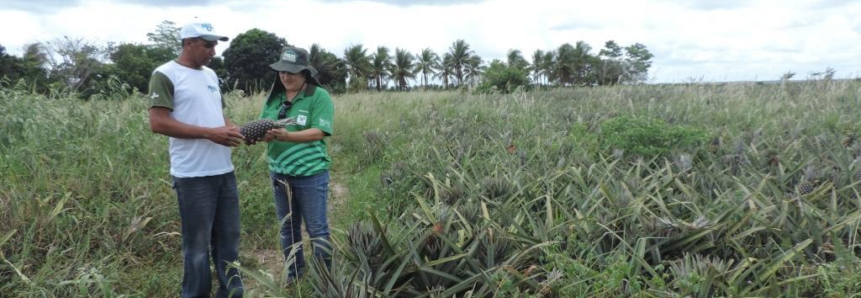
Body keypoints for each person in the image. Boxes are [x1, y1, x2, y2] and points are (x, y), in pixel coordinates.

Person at [147, 21, 244, 298]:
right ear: (188, 42)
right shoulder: (165, 74)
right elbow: (158, 123)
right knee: (198, 248)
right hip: (193, 177)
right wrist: (209, 134)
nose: (214, 50)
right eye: (208, 44)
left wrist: (236, 130)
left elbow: (219, 117)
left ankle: (231, 294)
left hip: (224, 171)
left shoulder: (212, 75)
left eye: (215, 44)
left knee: (229, 244)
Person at [254, 46, 335, 282]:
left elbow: (319, 131)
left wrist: (288, 136)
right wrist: (265, 135)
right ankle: (294, 275)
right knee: (288, 228)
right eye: (282, 72)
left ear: (305, 73)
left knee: (317, 230)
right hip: (279, 173)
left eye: (292, 73)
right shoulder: (275, 96)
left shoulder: (318, 96)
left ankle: (324, 280)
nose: (286, 77)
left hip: (310, 174)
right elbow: (264, 124)